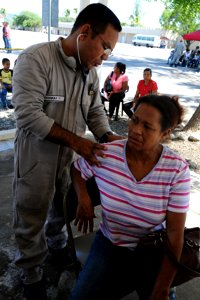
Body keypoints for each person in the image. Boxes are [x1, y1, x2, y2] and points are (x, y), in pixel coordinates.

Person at [11, 4, 122, 300]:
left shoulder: (91, 72)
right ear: (85, 32)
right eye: (105, 47)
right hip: (36, 158)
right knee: (31, 213)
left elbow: (96, 112)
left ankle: (57, 245)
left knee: (63, 207)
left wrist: (109, 138)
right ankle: (31, 271)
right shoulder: (36, 59)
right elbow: (27, 115)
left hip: (70, 159)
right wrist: (79, 143)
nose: (105, 57)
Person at [69, 94, 190, 300]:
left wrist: (162, 287)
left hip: (152, 248)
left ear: (165, 133)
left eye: (147, 126)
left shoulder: (176, 170)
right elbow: (77, 169)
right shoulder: (107, 154)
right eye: (134, 120)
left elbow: (174, 234)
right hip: (110, 243)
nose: (135, 130)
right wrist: (84, 198)